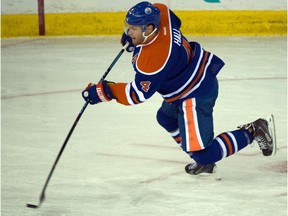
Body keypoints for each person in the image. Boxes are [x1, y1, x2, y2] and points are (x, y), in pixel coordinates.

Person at [82, 1, 276, 175]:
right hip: (192, 76)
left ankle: (253, 131)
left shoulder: (154, 60)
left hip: (194, 93)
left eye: (133, 29)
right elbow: (176, 21)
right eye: (128, 27)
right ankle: (198, 153)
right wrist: (135, 40)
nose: (128, 32)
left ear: (149, 28)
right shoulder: (161, 11)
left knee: (205, 154)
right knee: (165, 117)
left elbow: (136, 95)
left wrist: (103, 91)